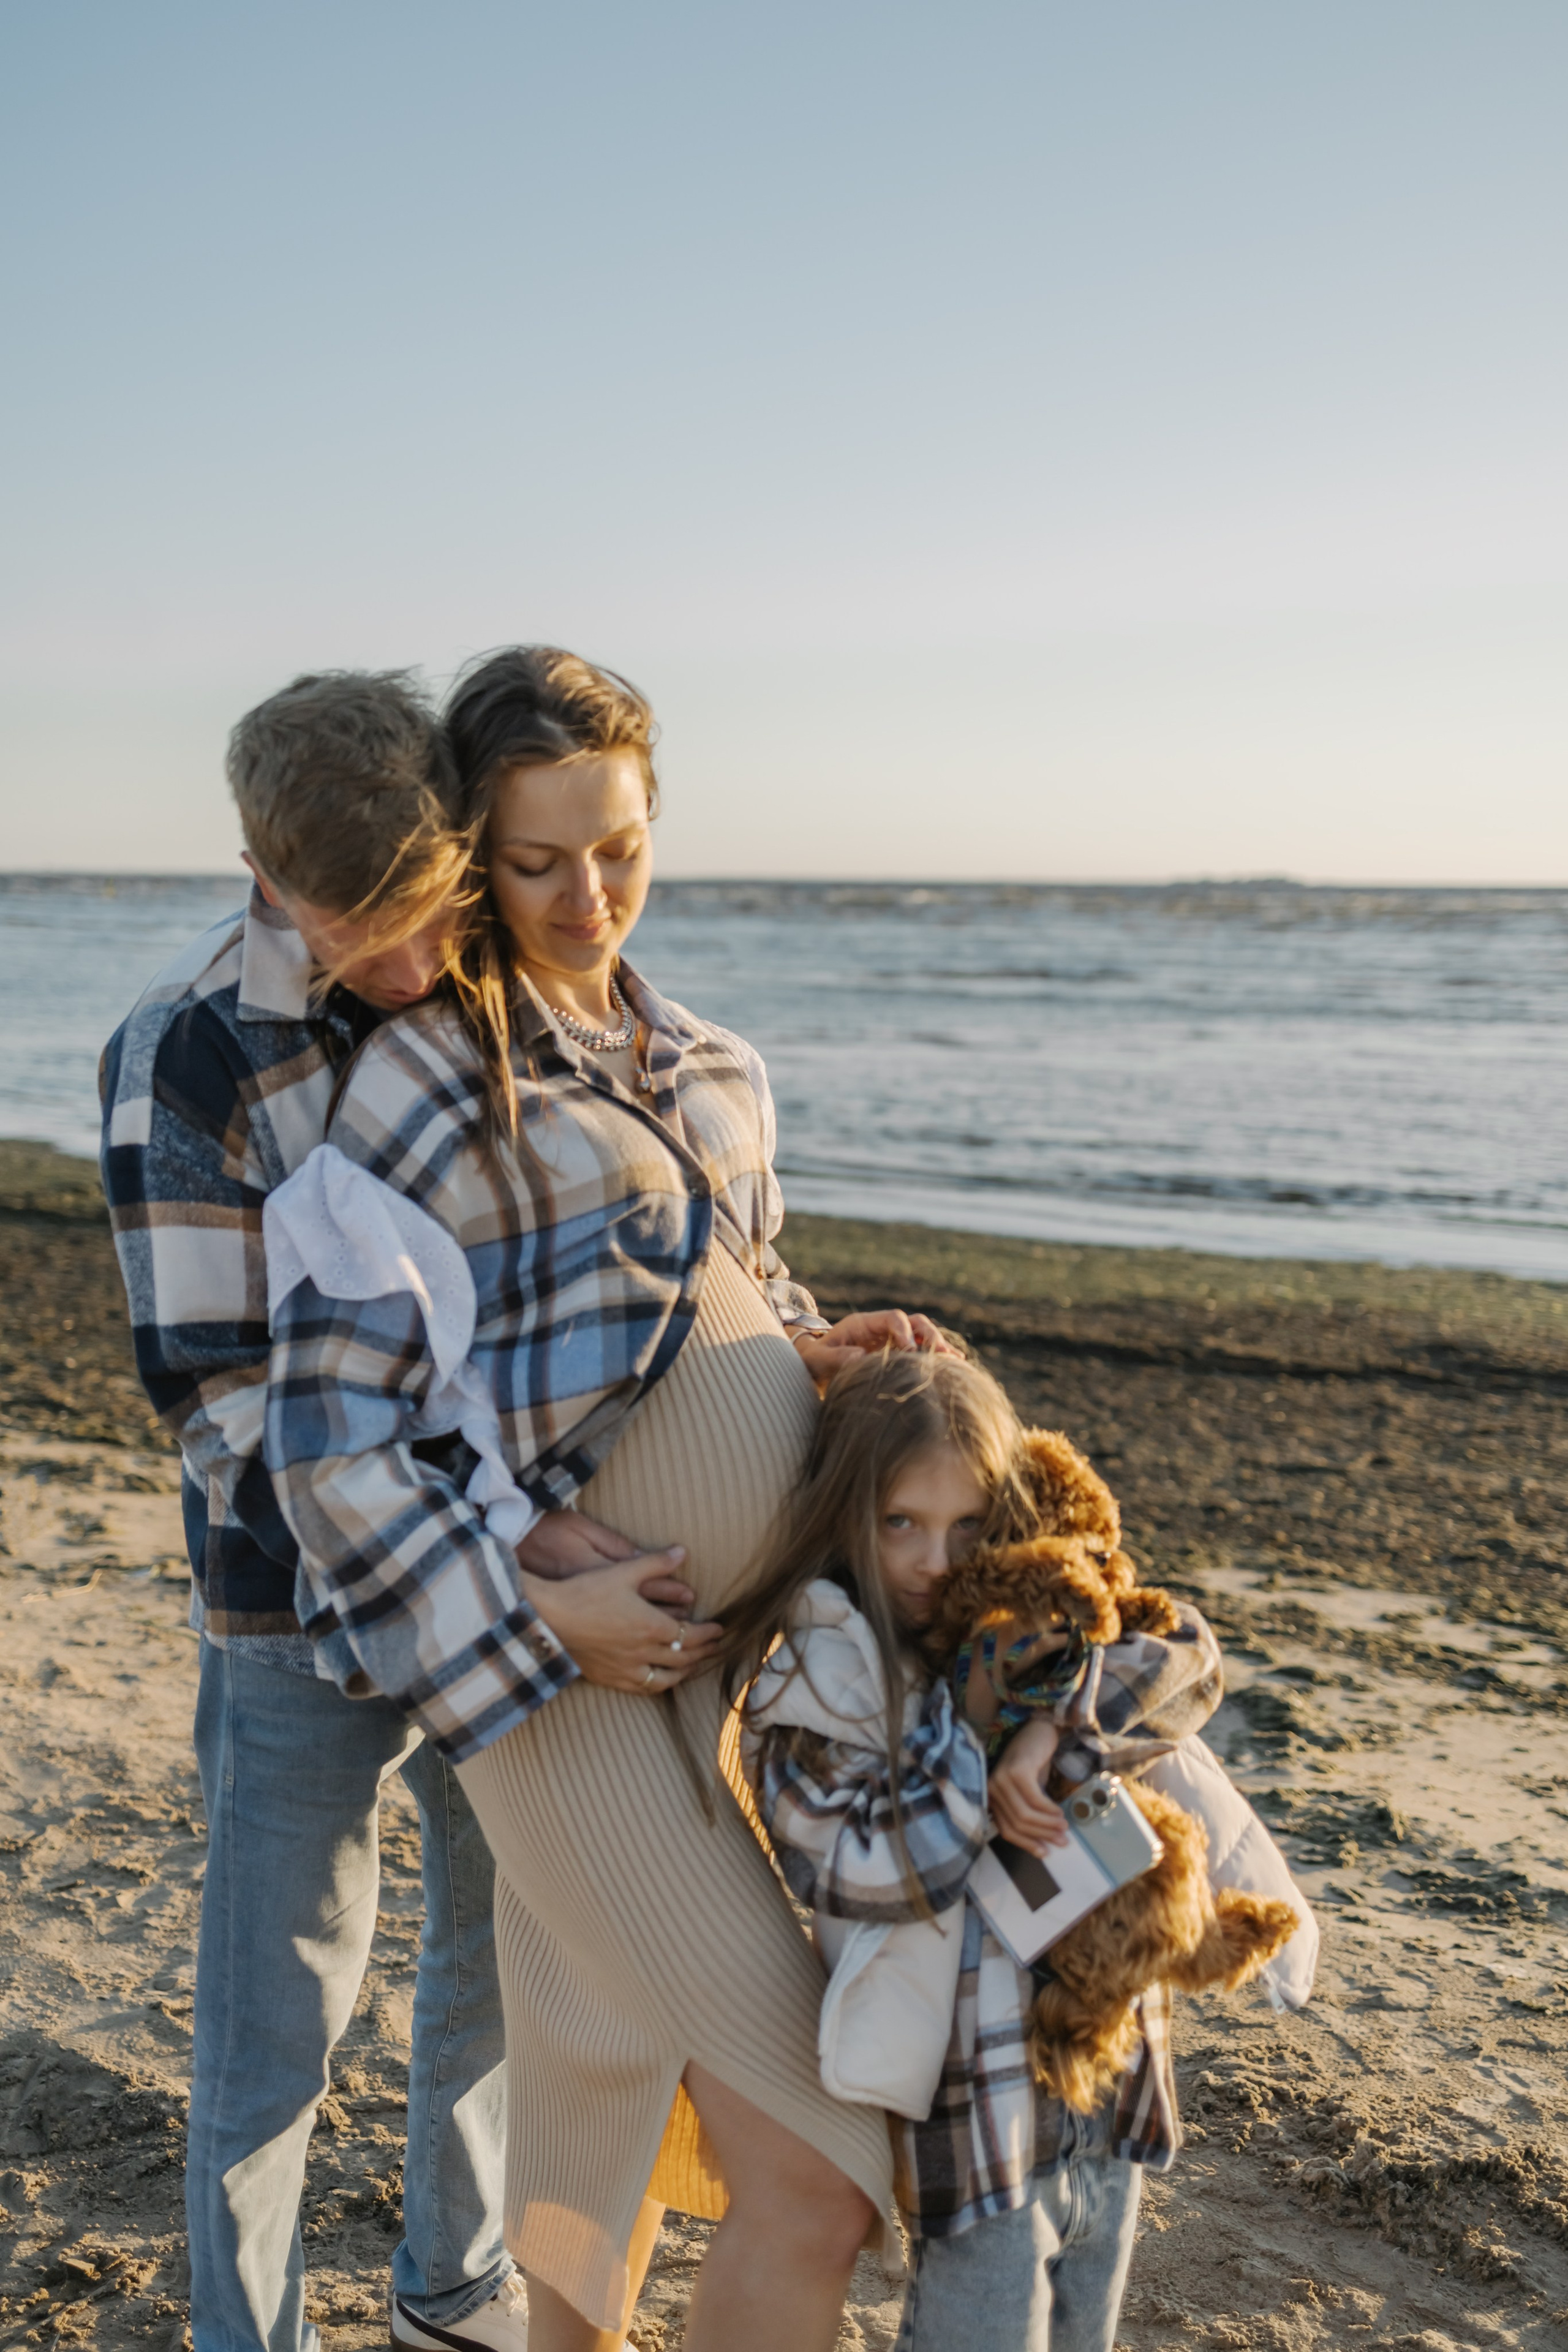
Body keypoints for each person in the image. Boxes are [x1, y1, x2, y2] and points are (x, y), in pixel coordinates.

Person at [260, 646, 949, 2352]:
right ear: (472, 859)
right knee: (822, 2174)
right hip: (559, 1687)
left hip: (728, 1665)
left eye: (622, 848)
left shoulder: (714, 1059)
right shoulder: (421, 1078)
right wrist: (525, 1604)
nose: (589, 895)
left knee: (607, 2108)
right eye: (538, 858)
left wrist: (811, 1347)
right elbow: (334, 1448)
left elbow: (725, 1297)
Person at [99, 671, 711, 2352]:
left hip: (519, 1581)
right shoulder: (186, 1056)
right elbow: (226, 1420)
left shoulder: (472, 978)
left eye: (432, 911)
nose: (408, 965)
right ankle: (249, 2331)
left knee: (486, 1971)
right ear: (261, 869)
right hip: (290, 1610)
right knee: (274, 2018)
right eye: (361, 928)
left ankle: (453, 2291)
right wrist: (505, 1561)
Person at [728, 1346, 1226, 2352]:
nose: (935, 1561)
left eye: (968, 1526)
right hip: (980, 2110)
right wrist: (974, 1720)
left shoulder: (1029, 1626)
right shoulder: (815, 1684)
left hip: (1107, 2080)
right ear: (843, 1514)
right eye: (900, 1522)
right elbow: (874, 1869)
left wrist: (1050, 1729)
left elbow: (1189, 1657)